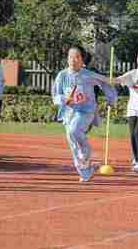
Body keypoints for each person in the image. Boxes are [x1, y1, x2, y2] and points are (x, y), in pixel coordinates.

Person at [51, 46, 118, 182]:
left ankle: (86, 153)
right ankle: (85, 172)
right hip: (68, 113)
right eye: (70, 57)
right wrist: (64, 99)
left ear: (82, 60)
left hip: (86, 111)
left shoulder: (88, 74)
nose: (73, 60)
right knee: (72, 140)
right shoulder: (62, 75)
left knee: (74, 130)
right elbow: (55, 95)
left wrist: (111, 99)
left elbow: (105, 83)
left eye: (77, 57)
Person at [117, 51, 138, 174]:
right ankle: (136, 160)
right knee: (132, 134)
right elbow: (119, 79)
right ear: (137, 60)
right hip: (132, 107)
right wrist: (112, 80)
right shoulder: (132, 74)